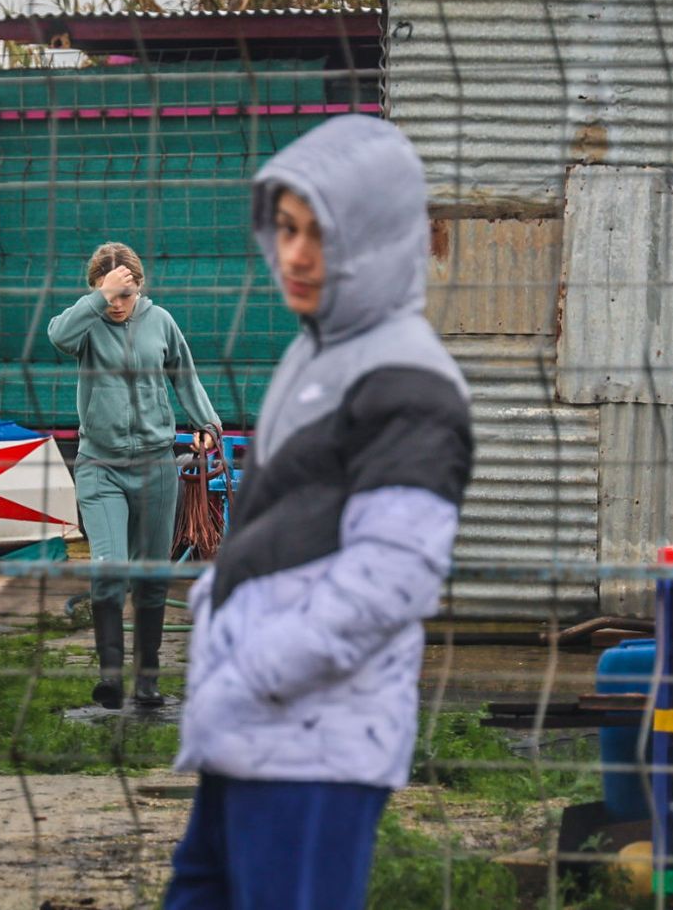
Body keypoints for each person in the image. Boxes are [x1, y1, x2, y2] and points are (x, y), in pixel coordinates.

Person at [166, 115, 474, 910]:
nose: (296, 255)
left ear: (375, 239)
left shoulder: (412, 380)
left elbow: (391, 580)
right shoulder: (315, 355)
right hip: (250, 734)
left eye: (323, 234)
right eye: (287, 227)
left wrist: (251, 672)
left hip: (315, 748)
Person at [48, 242, 221, 710]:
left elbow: (184, 376)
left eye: (126, 296)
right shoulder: (85, 323)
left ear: (141, 288)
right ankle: (109, 680)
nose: (118, 306)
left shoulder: (160, 322)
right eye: (111, 296)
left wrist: (206, 425)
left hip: (155, 465)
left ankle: (146, 682)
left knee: (151, 575)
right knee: (109, 566)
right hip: (100, 465)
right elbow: (57, 337)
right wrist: (98, 299)